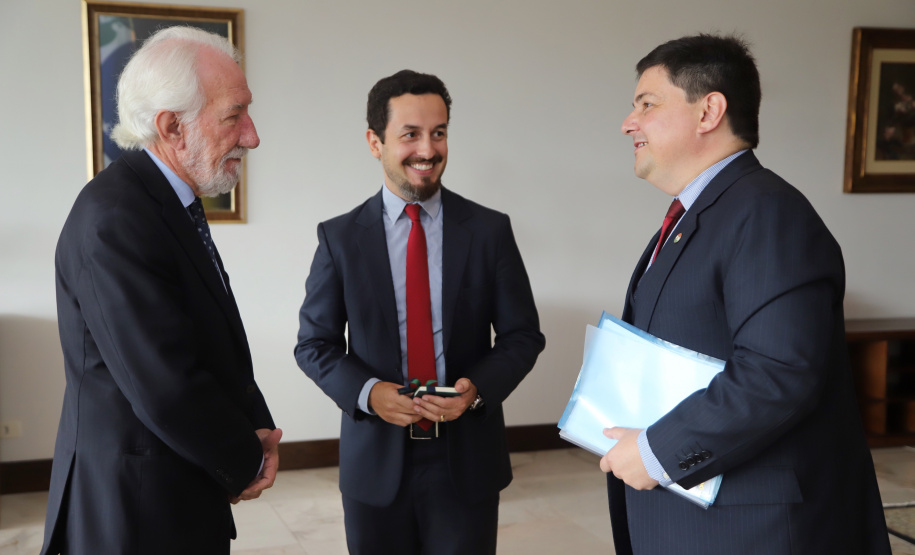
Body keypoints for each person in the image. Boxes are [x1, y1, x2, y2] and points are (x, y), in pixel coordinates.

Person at [600, 34, 891, 554]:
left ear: (709, 110)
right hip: (696, 514)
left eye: (646, 104)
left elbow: (777, 373)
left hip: (750, 528)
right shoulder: (703, 213)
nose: (628, 122)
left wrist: (657, 452)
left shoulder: (766, 212)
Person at [42, 26, 281, 555]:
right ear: (173, 127)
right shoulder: (117, 218)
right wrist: (243, 458)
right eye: (234, 115)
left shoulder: (162, 201)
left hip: (171, 487)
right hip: (135, 510)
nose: (252, 135)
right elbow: (166, 382)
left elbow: (208, 338)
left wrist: (256, 425)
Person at [294, 69, 545, 555]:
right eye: (410, 134)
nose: (428, 150)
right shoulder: (339, 238)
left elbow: (522, 336)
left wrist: (477, 392)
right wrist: (369, 394)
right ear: (375, 141)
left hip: (466, 458)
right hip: (374, 462)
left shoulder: (490, 231)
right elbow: (314, 345)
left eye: (439, 132)